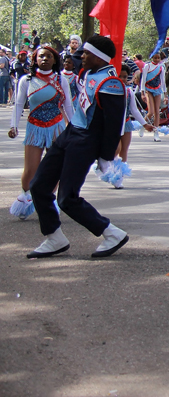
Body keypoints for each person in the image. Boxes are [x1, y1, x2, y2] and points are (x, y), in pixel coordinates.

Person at [26, 35, 130, 259]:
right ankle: (54, 237)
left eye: (86, 54)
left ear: (99, 57)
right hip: (70, 132)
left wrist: (105, 158)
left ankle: (111, 233)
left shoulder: (111, 83)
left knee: (67, 198)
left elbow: (114, 126)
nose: (81, 57)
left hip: (86, 141)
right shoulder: (90, 72)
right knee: (39, 185)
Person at [8, 46, 74, 219]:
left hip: (56, 127)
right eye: (41, 56)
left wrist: (75, 128)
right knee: (30, 169)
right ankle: (25, 199)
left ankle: (48, 201)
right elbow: (18, 104)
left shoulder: (61, 80)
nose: (45, 59)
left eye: (49, 56)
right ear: (35, 59)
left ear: (54, 60)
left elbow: (68, 106)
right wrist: (13, 126)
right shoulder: (26, 80)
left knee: (54, 168)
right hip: (34, 127)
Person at [141, 52, 167, 141]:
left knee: (157, 111)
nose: (156, 60)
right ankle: (142, 125)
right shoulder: (147, 66)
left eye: (158, 58)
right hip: (148, 89)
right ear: (152, 58)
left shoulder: (161, 68)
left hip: (157, 90)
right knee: (150, 112)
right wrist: (142, 92)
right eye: (155, 58)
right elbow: (143, 79)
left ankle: (156, 132)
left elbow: (163, 81)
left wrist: (165, 94)